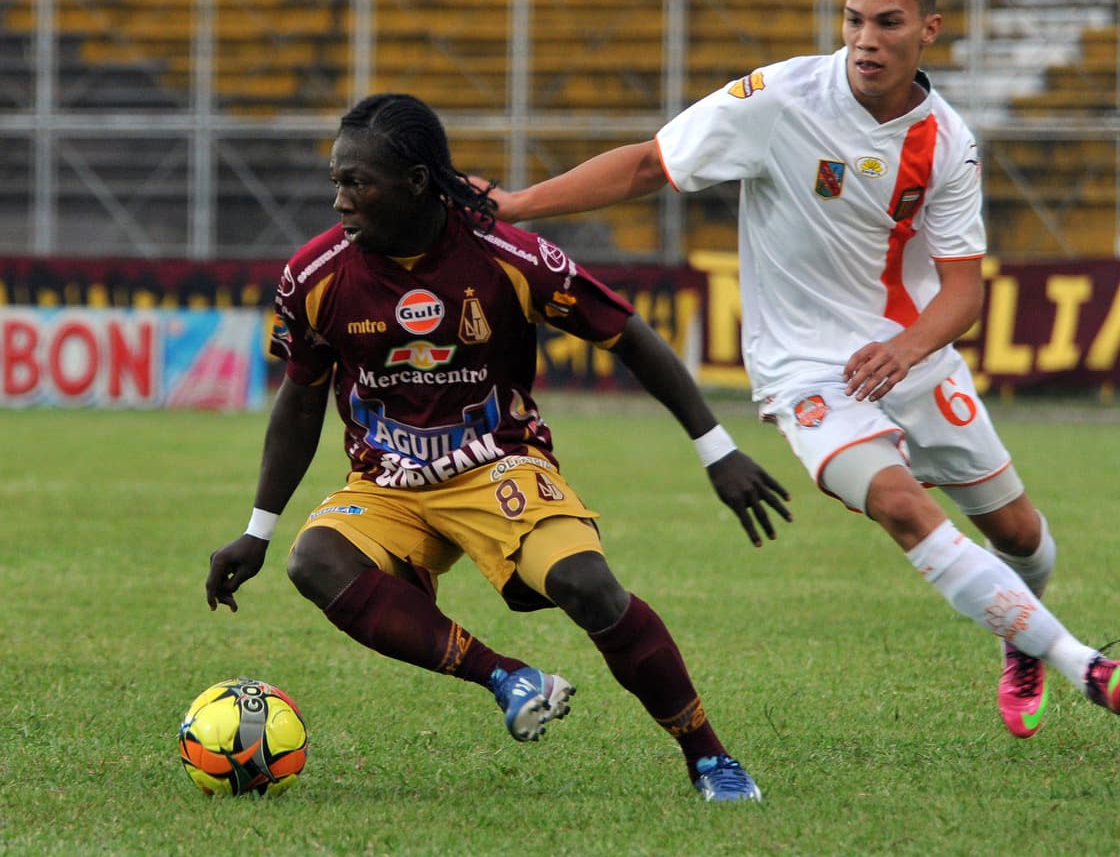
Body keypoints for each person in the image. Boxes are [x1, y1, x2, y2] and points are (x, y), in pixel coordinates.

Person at [491, 0, 1120, 739]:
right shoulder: (779, 98)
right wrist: (518, 204)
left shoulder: (946, 142)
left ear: (929, 29)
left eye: (887, 22)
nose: (866, 39)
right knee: (902, 507)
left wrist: (906, 350)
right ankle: (1082, 663)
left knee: (1020, 537)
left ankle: (1021, 634)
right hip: (805, 370)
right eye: (853, 19)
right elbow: (647, 165)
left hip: (911, 356)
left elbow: (965, 290)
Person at [204, 92, 792, 802]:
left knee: (588, 586)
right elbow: (300, 399)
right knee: (316, 560)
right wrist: (256, 530)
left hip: (499, 466)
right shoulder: (315, 276)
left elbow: (627, 335)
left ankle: (709, 757)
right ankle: (507, 677)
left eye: (357, 182)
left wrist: (716, 447)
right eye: (336, 181)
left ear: (417, 182)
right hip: (389, 480)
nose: (339, 201)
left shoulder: (506, 257)